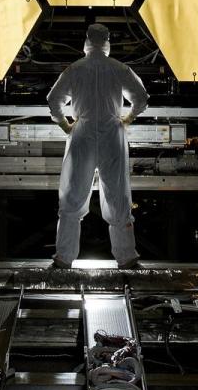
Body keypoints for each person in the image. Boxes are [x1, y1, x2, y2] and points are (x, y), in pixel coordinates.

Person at [47, 23, 149, 269]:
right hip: (112, 133)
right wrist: (128, 118)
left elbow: (53, 100)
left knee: (73, 195)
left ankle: (63, 258)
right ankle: (126, 257)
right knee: (117, 194)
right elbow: (141, 97)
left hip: (81, 132)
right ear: (107, 42)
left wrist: (65, 123)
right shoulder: (119, 68)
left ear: (87, 41)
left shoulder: (74, 69)